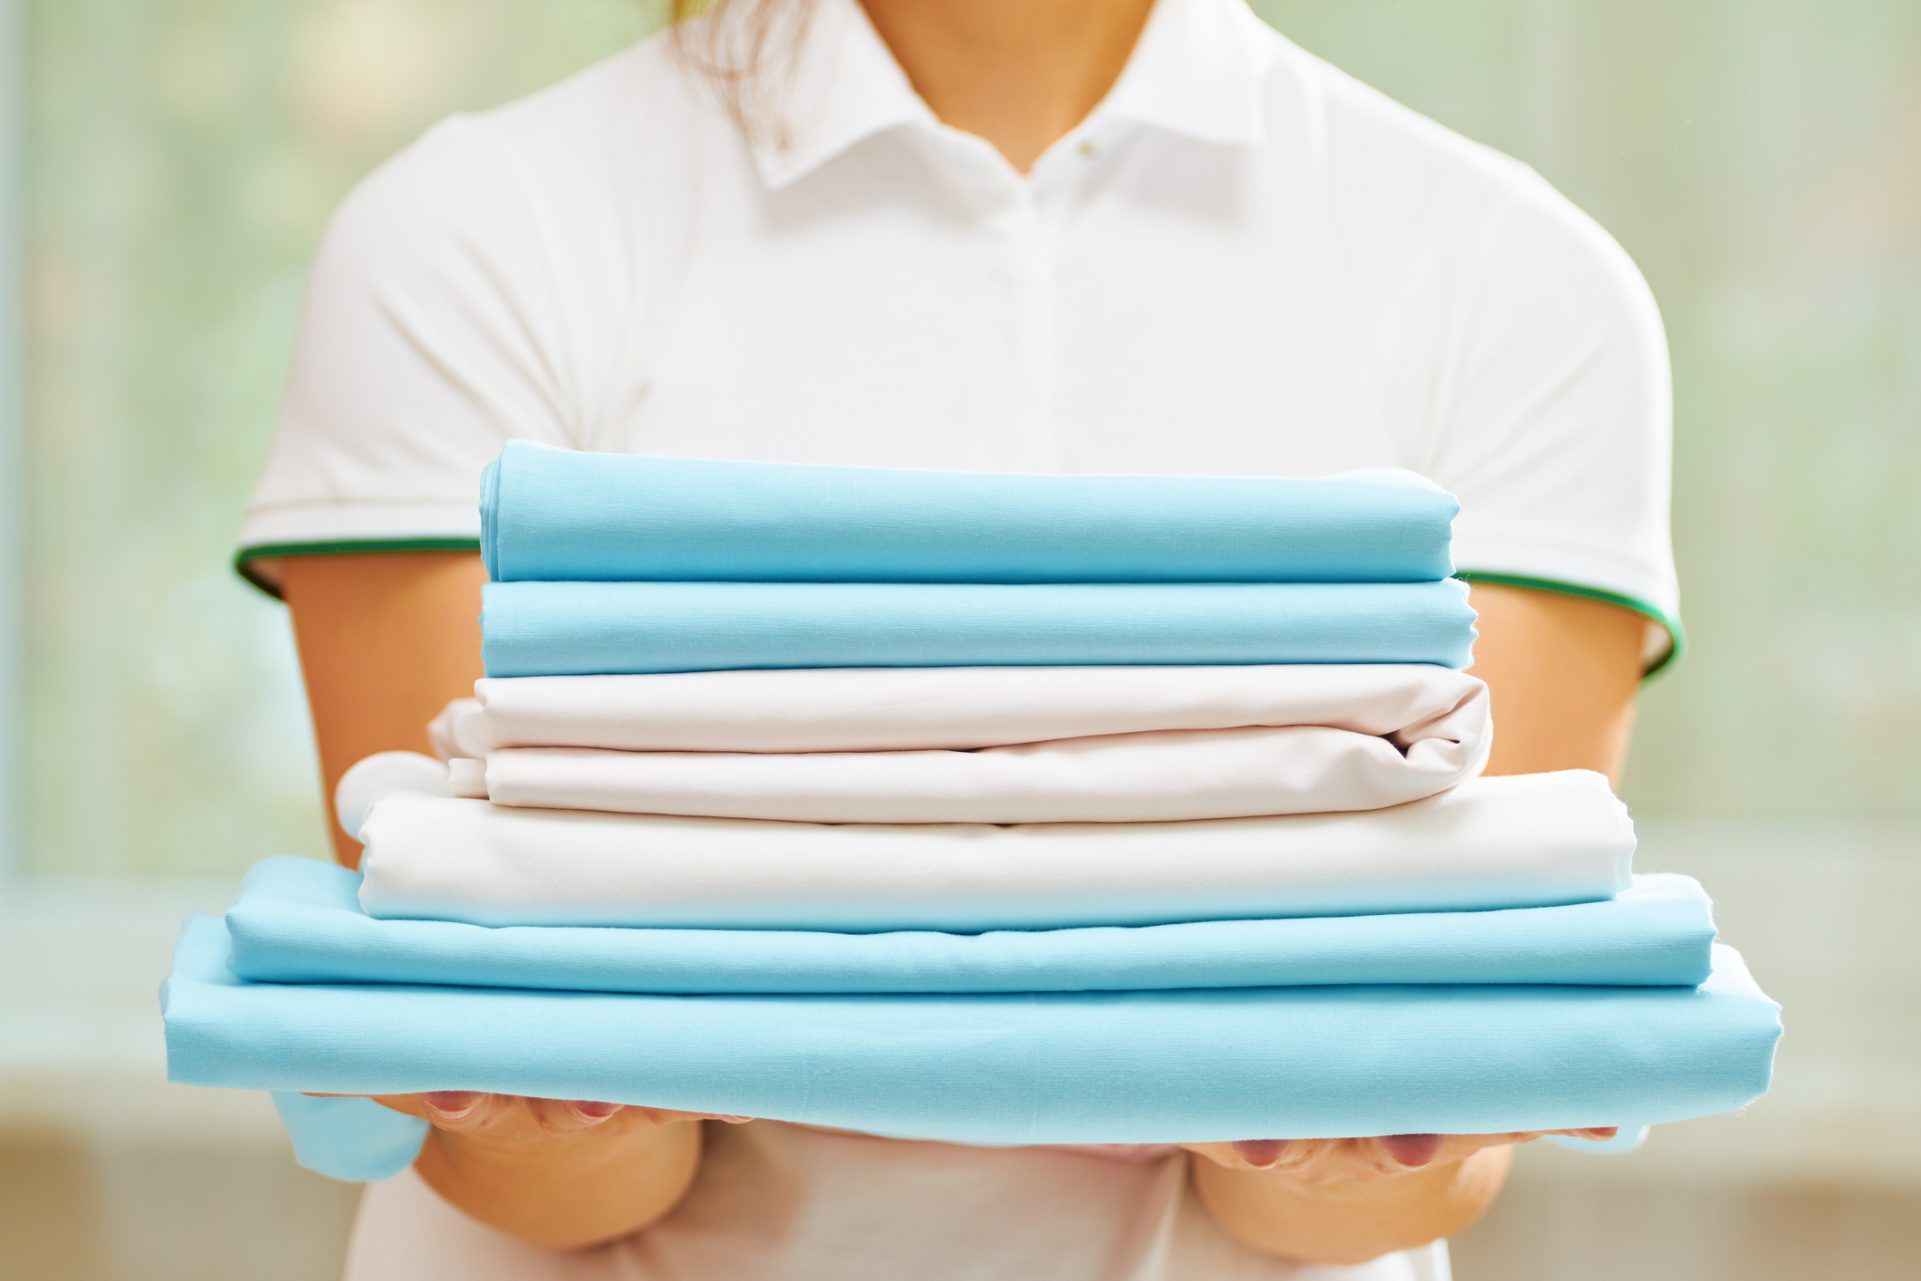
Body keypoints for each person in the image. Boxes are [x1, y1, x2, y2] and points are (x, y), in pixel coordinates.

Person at [237, 0, 1679, 1275]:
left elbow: (1405, 1137)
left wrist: (1364, 1123)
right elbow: (542, 1153)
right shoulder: (473, 234)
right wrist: (537, 1087)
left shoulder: (1516, 284)